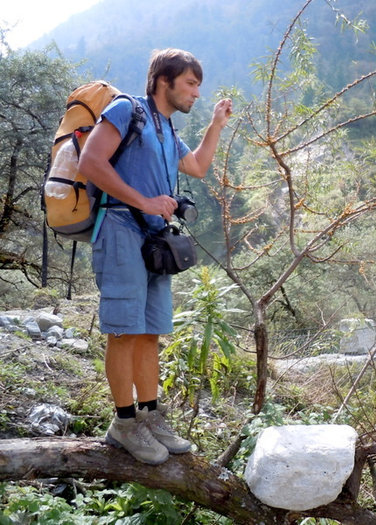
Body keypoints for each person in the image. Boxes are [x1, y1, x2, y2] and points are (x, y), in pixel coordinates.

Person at [78, 48, 232, 464]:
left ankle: (149, 415)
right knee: (124, 331)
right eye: (191, 84)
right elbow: (92, 161)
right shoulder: (129, 110)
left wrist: (216, 124)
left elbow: (198, 166)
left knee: (149, 332)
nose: (197, 93)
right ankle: (123, 423)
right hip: (120, 229)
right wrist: (145, 202)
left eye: (198, 85)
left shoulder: (165, 127)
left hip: (153, 241)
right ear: (165, 80)